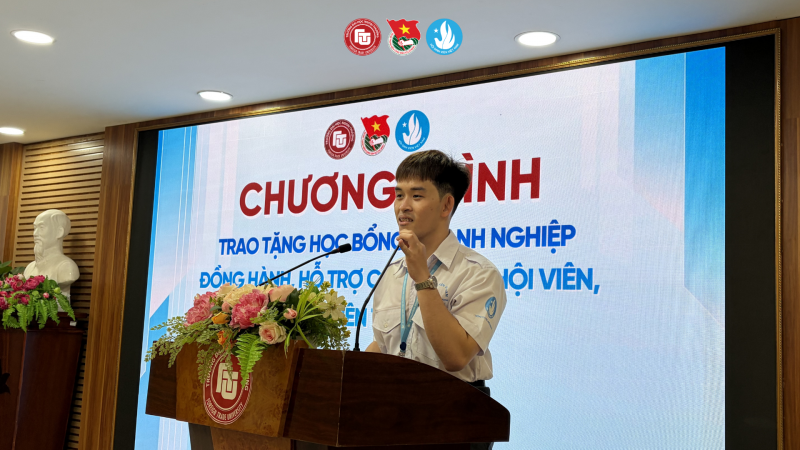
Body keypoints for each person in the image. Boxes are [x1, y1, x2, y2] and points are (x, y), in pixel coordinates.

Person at [366, 150, 506, 448]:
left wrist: (422, 278)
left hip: (455, 419)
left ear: (446, 205)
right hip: (395, 414)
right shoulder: (392, 272)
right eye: (398, 195)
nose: (403, 206)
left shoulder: (479, 274)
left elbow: (456, 357)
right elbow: (386, 345)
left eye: (416, 196)